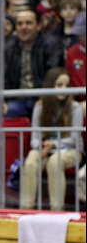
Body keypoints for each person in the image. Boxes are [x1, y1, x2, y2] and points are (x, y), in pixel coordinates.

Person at [21, 67, 83, 210]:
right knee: (30, 161)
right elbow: (34, 139)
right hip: (44, 148)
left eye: (67, 86)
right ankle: (25, 209)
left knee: (55, 162)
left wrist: (53, 144)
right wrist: (43, 145)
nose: (63, 89)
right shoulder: (39, 108)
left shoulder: (75, 108)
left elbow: (74, 138)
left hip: (71, 150)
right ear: (50, 85)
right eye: (59, 85)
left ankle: (56, 211)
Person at [2, 9, 64, 118]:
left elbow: (54, 76)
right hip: (17, 99)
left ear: (39, 26)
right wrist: (2, 101)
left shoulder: (52, 44)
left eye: (28, 23)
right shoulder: (9, 47)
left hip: (44, 98)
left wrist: (44, 98)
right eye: (20, 24)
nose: (24, 27)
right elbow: (4, 77)